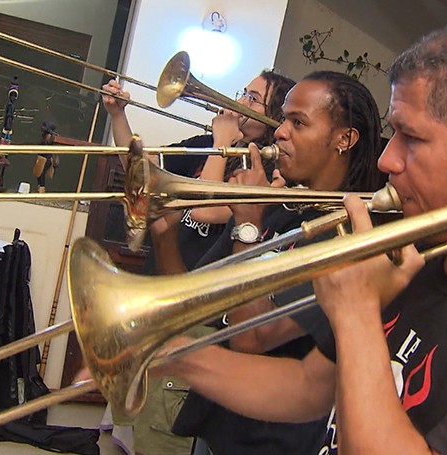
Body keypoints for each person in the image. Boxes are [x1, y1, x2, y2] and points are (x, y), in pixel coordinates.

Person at [152, 20, 447, 455]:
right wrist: (163, 351)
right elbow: (304, 387)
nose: (387, 160)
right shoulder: (423, 256)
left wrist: (354, 311)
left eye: (412, 137)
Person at [164, 70, 386, 455]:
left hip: (269, 442)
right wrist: (163, 230)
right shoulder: (278, 207)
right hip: (217, 423)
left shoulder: (347, 235)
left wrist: (248, 226)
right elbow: (188, 298)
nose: (280, 132)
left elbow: (252, 338)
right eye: (283, 119)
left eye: (297, 122)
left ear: (344, 140)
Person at [101, 70, 296, 455]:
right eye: (245, 93)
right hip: (159, 295)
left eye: (253, 99)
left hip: (198, 320)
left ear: (274, 113)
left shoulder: (270, 174)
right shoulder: (205, 142)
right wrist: (117, 115)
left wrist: (222, 145)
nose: (239, 102)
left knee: (162, 436)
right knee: (125, 435)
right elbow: (140, 169)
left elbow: (206, 210)